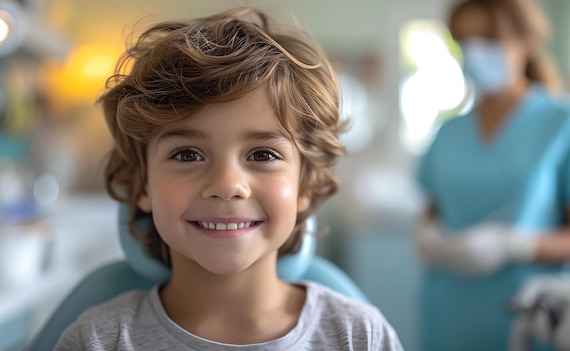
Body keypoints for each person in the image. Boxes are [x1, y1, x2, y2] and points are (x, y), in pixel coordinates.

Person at [54, 7, 403, 351]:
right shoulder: (98, 342)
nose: (226, 184)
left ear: (305, 186)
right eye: (187, 154)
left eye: (263, 155)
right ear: (142, 185)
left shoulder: (360, 338)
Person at [415, 0, 570, 350]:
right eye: (464, 40)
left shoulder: (560, 122)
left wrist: (516, 245)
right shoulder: (447, 132)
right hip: (448, 314)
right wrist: (427, 237)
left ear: (524, 40)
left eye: (487, 37)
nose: (474, 51)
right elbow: (431, 212)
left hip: (529, 317)